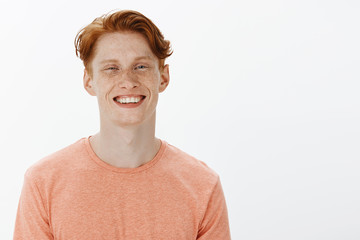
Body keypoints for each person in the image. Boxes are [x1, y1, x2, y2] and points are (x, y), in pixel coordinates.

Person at [13, 9, 231, 239]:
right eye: (112, 69)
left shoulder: (202, 185)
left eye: (141, 67)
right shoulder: (43, 183)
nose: (128, 82)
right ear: (89, 81)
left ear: (163, 78)